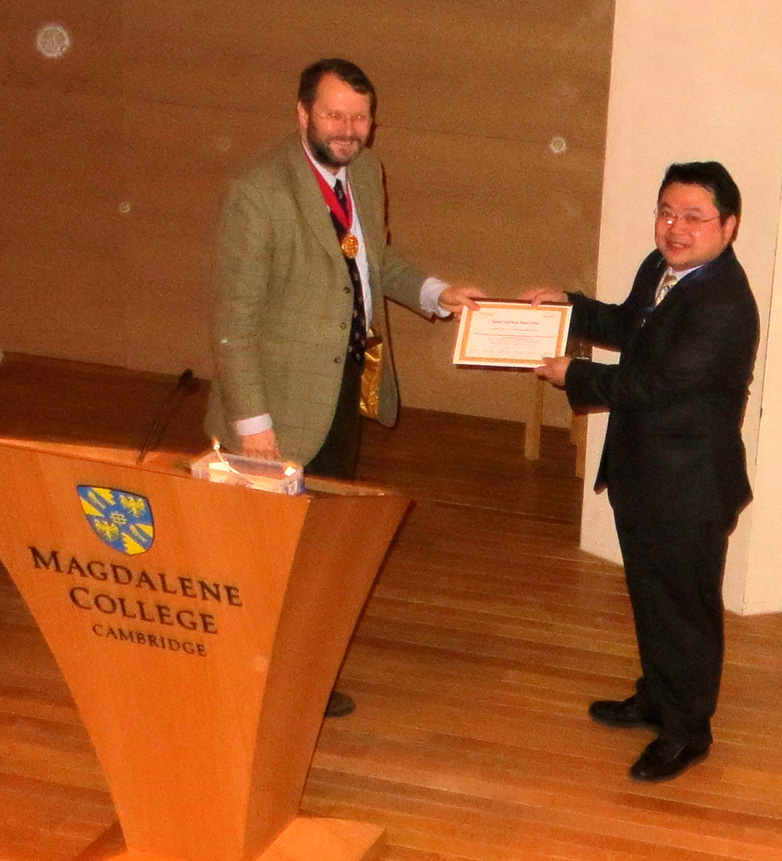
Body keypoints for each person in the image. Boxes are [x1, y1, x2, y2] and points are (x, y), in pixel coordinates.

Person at [205, 58, 483, 716]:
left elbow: (373, 260)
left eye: (360, 116)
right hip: (274, 408)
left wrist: (439, 293)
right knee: (259, 559)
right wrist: (255, 429)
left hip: (340, 394)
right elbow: (233, 325)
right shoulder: (258, 191)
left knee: (317, 550)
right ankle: (244, 688)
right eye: (335, 114)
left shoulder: (363, 171)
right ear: (302, 114)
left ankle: (301, 678)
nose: (348, 129)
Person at [526, 161, 758, 781]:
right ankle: (657, 698)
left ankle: (687, 732)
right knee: (653, 598)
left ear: (728, 226)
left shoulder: (724, 303)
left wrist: (570, 374)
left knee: (684, 607)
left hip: (690, 484)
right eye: (666, 212)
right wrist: (571, 308)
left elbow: (654, 383)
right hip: (644, 472)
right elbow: (632, 326)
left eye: (693, 216)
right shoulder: (662, 270)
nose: (675, 228)